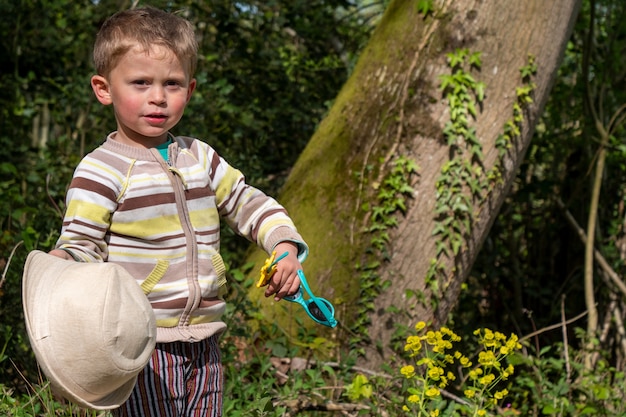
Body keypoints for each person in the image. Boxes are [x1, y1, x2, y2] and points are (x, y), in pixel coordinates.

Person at [48, 6, 308, 416]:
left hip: (205, 340)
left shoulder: (199, 157)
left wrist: (284, 244)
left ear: (191, 88)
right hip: (139, 346)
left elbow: (246, 200)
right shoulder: (101, 169)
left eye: (172, 83)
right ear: (104, 89)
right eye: (140, 83)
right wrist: (58, 267)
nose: (158, 97)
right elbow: (83, 245)